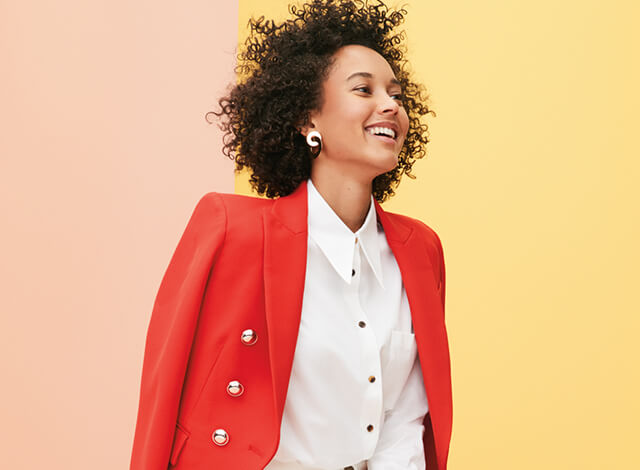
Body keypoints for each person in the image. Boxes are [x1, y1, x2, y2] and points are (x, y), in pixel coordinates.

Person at [129, 1, 452, 469]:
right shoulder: (232, 228)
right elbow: (165, 391)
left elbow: (406, 419)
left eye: (396, 94)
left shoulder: (420, 249)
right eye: (364, 89)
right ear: (307, 120)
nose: (390, 105)